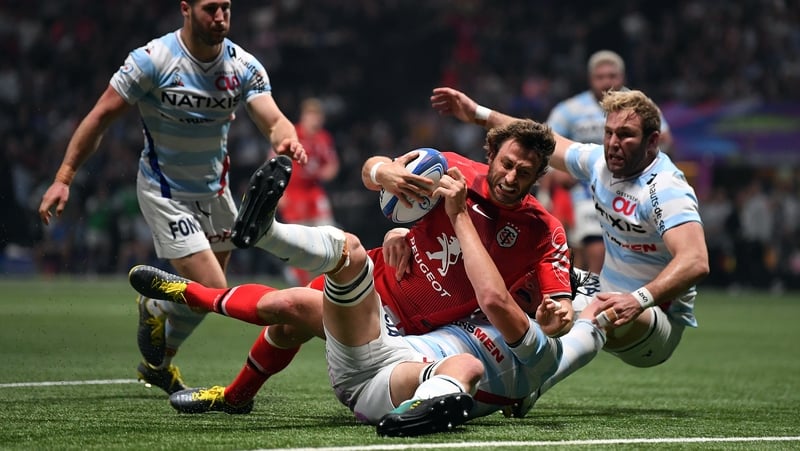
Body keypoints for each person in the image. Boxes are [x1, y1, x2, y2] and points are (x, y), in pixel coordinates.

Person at [128, 151, 612, 435]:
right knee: (287, 315)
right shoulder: (457, 171)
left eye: (524, 172)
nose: (510, 177)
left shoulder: (537, 238)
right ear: (492, 155)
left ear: (536, 178)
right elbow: (372, 167)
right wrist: (384, 174)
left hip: (401, 334)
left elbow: (549, 318)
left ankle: (199, 290)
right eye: (506, 164)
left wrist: (568, 315)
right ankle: (234, 392)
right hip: (382, 284)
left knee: (293, 305)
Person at [37, 0, 306, 395]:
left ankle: (159, 362)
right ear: (186, 9)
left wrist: (286, 137)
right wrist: (64, 177)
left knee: (204, 294)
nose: (220, 18)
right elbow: (100, 116)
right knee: (213, 289)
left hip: (215, 193)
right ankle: (158, 308)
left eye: (226, 8)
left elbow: (273, 117)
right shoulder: (152, 60)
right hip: (165, 191)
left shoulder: (243, 66)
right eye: (210, 9)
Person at [431, 86, 709, 372]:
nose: (613, 142)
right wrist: (478, 113)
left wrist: (637, 300)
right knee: (520, 272)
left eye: (626, 135)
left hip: (655, 319)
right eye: (609, 132)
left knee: (601, 307)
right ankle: (453, 349)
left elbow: (695, 261)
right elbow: (542, 139)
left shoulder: (665, 188)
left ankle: (533, 385)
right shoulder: (600, 163)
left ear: (652, 142)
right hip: (603, 289)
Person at [545, 50, 674, 275]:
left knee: (602, 252)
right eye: (600, 76)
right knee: (579, 254)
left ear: (622, 77)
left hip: (631, 191)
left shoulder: (640, 106)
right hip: (582, 191)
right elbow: (546, 144)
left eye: (612, 75)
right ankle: (583, 300)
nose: (607, 82)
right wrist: (550, 185)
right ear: (590, 79)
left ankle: (600, 299)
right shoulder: (569, 110)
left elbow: (664, 140)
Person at [278, 97, 340, 286]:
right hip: (294, 193)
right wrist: (280, 192)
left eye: (318, 115)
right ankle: (298, 275)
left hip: (314, 192)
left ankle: (327, 277)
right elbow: (276, 160)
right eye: (312, 115)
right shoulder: (292, 134)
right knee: (298, 238)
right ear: (304, 116)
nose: (316, 119)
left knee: (330, 232)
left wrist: (327, 172)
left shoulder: (324, 137)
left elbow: (332, 163)